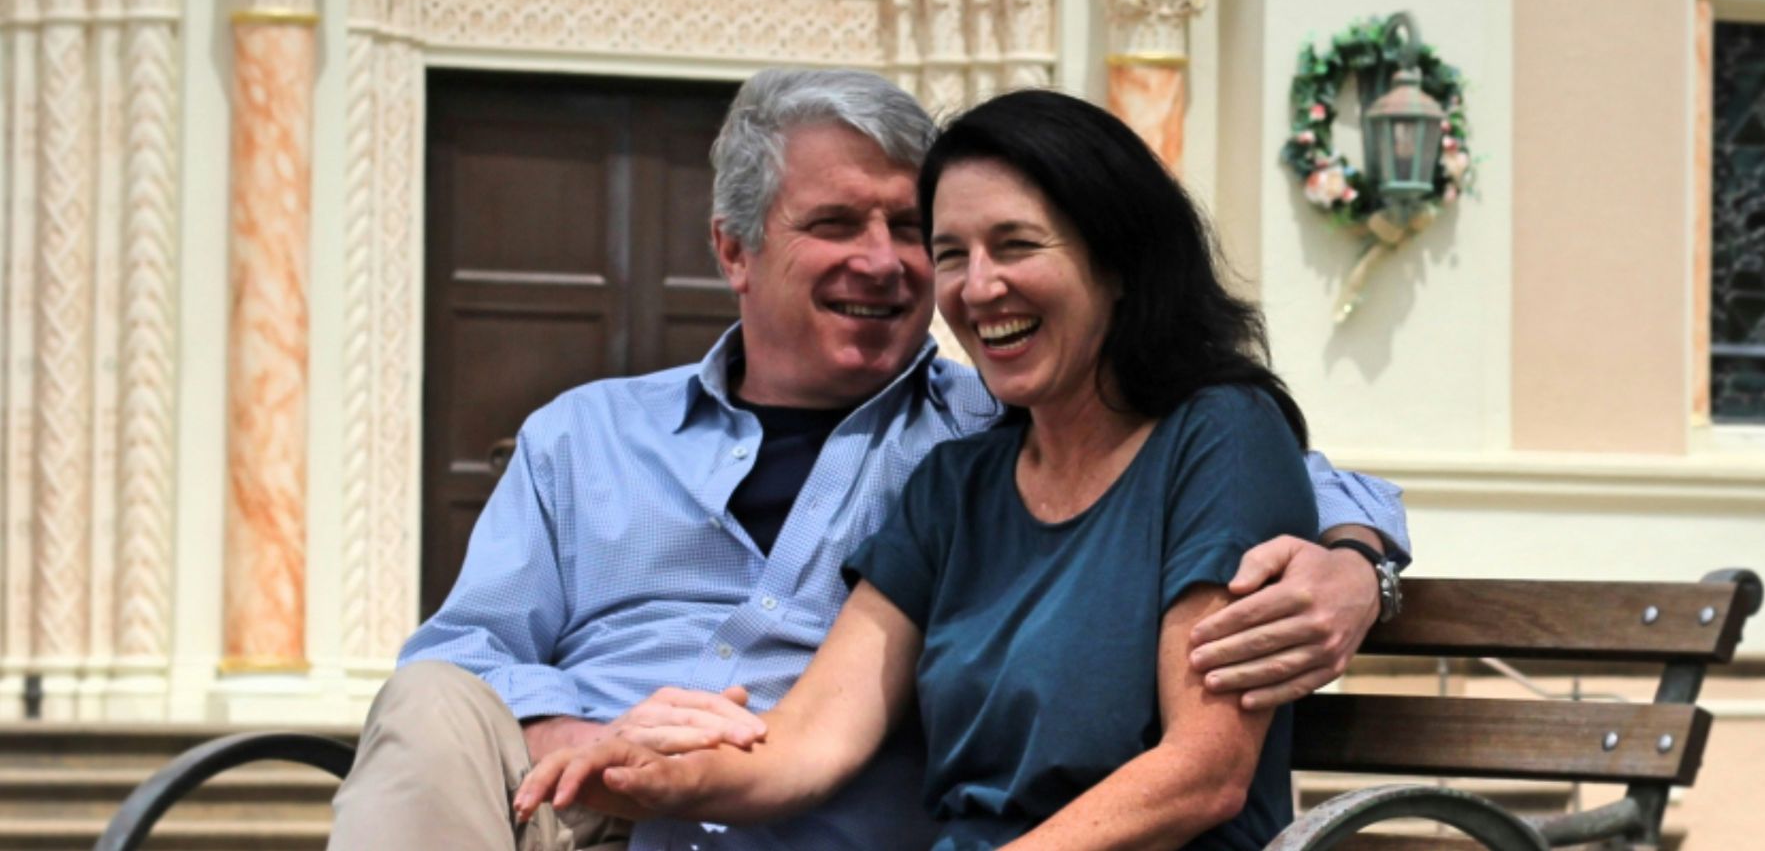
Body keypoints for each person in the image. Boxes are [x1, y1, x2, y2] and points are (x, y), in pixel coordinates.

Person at [326, 70, 1410, 851]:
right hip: (586, 808)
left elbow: (1231, 464)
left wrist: (1359, 557)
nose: (894, 267)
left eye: (914, 231)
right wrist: (600, 749)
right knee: (429, 702)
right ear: (733, 249)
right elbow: (482, 651)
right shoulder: (596, 435)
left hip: (826, 837)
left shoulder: (990, 421)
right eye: (841, 224)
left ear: (1118, 259)